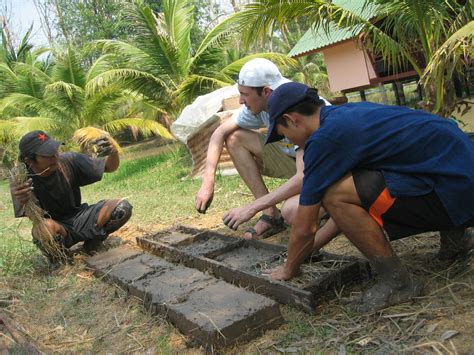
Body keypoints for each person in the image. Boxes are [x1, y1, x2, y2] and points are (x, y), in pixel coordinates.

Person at [262, 82, 474, 312]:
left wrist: (289, 268)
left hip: (457, 192)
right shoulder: (345, 114)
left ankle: (398, 284)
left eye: (284, 135)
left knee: (334, 194)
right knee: (379, 176)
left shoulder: (325, 140)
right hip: (459, 176)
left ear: (292, 119)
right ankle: (456, 240)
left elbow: (306, 226)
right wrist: (306, 252)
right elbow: (347, 215)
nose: (290, 141)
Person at [195, 58, 332, 239]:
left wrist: (252, 207)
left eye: (244, 94)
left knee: (291, 212)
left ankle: (332, 206)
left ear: (266, 91)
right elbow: (219, 132)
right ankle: (271, 215)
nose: (241, 101)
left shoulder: (298, 105)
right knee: (235, 137)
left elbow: (303, 176)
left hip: (326, 168)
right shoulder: (259, 106)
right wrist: (208, 181)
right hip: (297, 160)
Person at [10, 130, 133, 263]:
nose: (55, 156)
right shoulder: (21, 180)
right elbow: (35, 219)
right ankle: (60, 258)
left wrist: (113, 152)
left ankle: (93, 243)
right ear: (29, 160)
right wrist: (24, 201)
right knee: (42, 229)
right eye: (48, 155)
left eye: (55, 150)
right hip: (57, 228)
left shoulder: (68, 159)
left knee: (122, 207)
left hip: (79, 218)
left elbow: (110, 167)